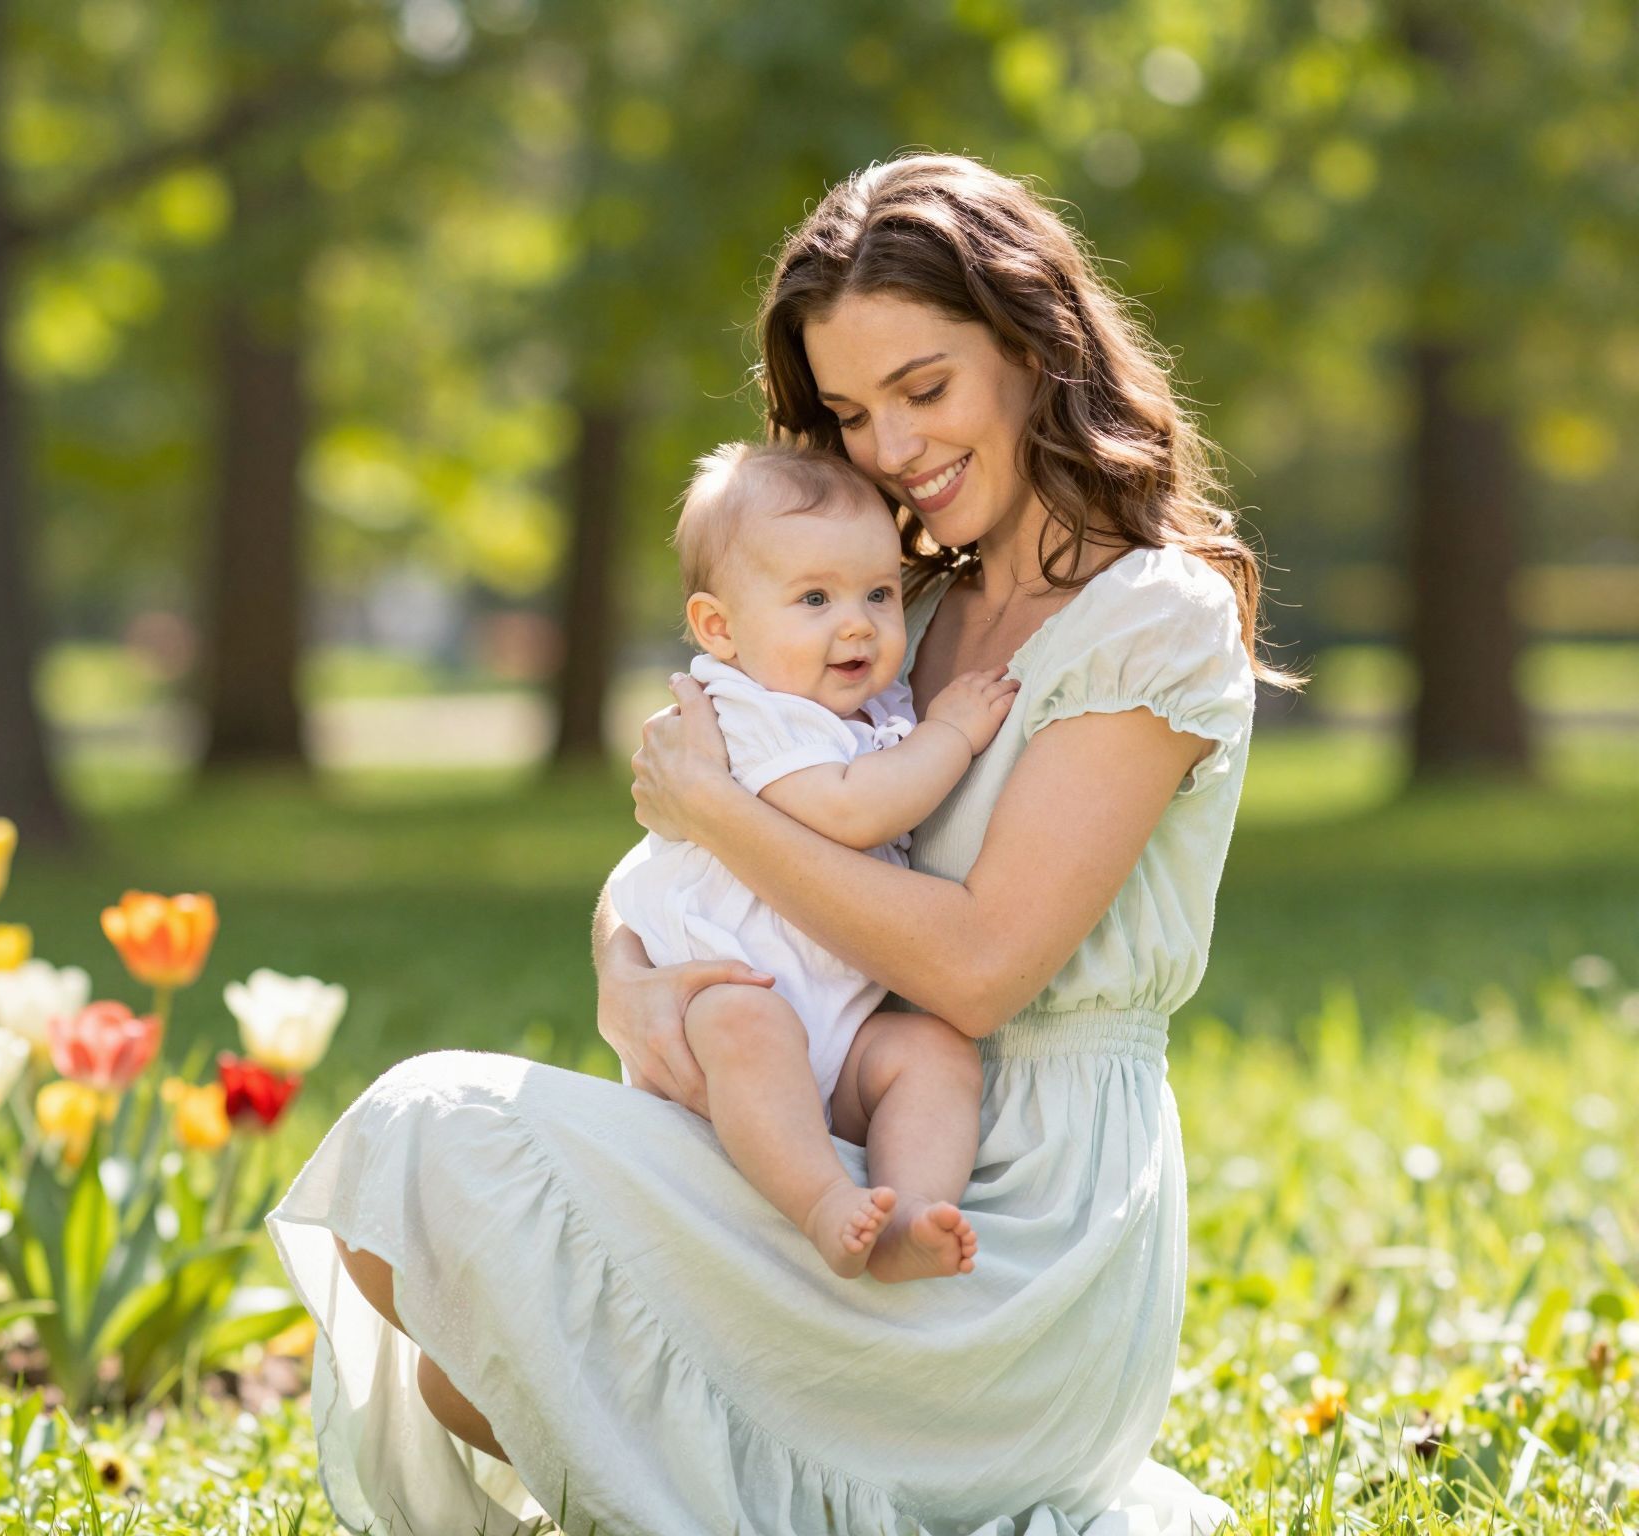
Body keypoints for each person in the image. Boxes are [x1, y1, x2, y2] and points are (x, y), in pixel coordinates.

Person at [268, 151, 1298, 1535]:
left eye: (923, 389)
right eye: (852, 413)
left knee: (440, 1134)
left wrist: (720, 812)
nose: (892, 449)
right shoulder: (889, 607)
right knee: (436, 1239)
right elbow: (686, 843)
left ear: (1032, 346)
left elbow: (978, 969)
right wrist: (629, 974)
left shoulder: (1150, 617)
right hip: (824, 1137)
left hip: (1017, 1225)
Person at [607, 438, 1016, 1282]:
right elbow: (853, 808)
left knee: (933, 1053)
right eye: (816, 598)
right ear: (720, 628)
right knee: (747, 1025)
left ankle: (908, 1217)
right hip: (727, 1007)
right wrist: (950, 734)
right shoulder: (745, 713)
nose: (857, 622)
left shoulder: (867, 706)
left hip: (839, 1024)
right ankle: (823, 1203)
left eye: (878, 593)